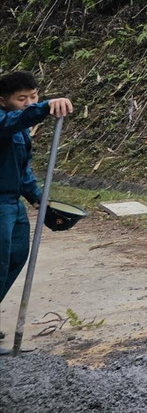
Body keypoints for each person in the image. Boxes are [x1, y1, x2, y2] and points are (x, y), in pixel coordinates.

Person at [0, 71, 74, 322]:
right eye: (22, 99)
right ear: (3, 100)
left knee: (17, 256)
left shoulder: (19, 129)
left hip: (13, 204)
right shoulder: (6, 121)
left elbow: (22, 171)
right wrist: (43, 108)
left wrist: (38, 200)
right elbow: (12, 122)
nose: (29, 103)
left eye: (34, 96)